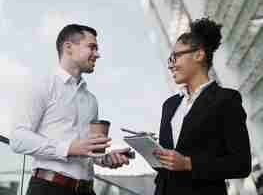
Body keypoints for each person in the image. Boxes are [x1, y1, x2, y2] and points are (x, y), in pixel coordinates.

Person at [10, 24, 129, 195]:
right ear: (68, 47)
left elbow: (85, 151)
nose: (97, 54)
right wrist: (67, 148)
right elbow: (18, 138)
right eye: (92, 47)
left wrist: (106, 158)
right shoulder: (42, 85)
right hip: (48, 189)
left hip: (86, 190)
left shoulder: (91, 100)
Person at [153, 17, 251, 195]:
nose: (171, 65)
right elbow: (167, 165)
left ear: (199, 55)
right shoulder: (170, 105)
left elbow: (241, 164)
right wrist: (153, 153)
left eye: (176, 56)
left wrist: (189, 163)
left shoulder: (226, 100)